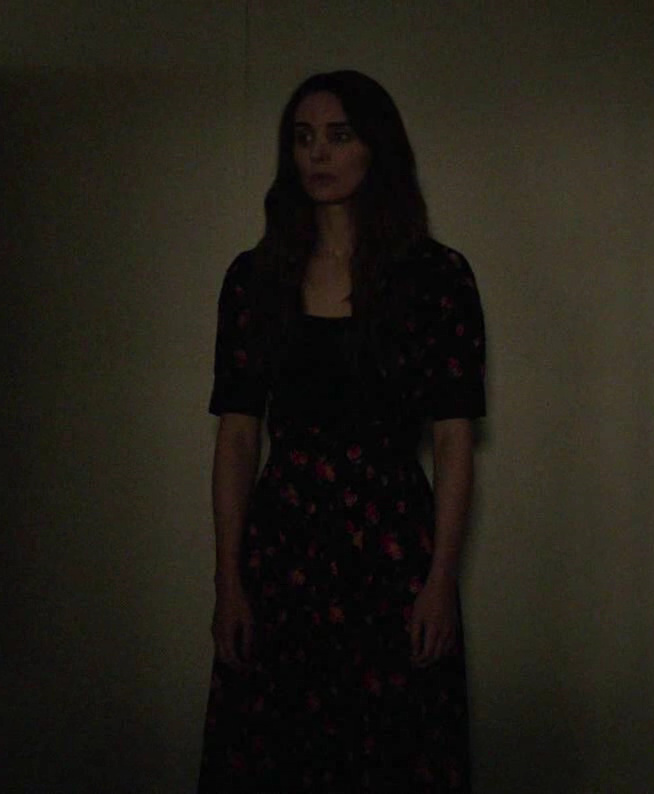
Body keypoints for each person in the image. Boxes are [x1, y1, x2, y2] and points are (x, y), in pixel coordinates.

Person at [197, 69, 487, 793]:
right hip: (285, 544)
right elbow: (238, 435)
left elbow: (454, 440)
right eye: (303, 139)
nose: (318, 154)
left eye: (338, 135)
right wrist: (229, 580)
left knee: (396, 751)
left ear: (375, 147)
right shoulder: (255, 278)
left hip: (392, 547)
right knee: (275, 751)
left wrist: (441, 580)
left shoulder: (437, 277)